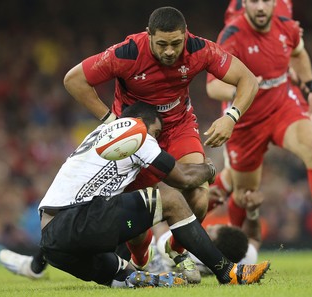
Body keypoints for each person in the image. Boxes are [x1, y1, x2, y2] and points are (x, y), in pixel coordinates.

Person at [62, 6, 258, 282]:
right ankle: (144, 258)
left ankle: (175, 250)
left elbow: (247, 79)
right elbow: (74, 80)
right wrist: (111, 122)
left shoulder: (200, 49)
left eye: (176, 43)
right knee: (139, 226)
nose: (170, 51)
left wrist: (231, 117)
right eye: (162, 44)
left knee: (199, 196)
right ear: (149, 35)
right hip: (137, 137)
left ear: (185, 35)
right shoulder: (127, 53)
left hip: (179, 127)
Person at [0, 102, 270, 288]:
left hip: (55, 244)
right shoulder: (136, 132)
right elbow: (183, 177)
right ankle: (228, 272)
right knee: (171, 199)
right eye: (157, 132)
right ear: (144, 122)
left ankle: (37, 266)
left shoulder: (99, 134)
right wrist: (210, 169)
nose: (156, 138)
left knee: (129, 278)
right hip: (75, 223)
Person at [206, 0, 312, 263]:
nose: (261, 8)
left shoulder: (287, 20)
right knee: (244, 192)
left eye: (266, 1)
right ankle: (233, 251)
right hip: (246, 117)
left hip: (283, 102)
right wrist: (241, 90)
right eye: (254, 2)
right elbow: (213, 86)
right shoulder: (232, 34)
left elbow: (299, 53)